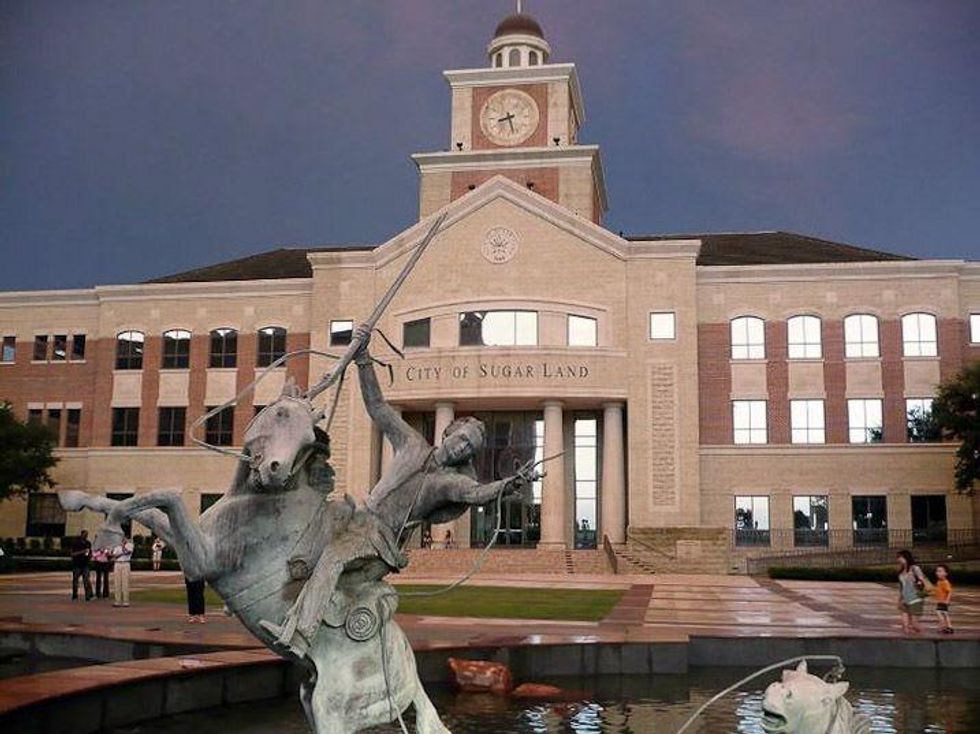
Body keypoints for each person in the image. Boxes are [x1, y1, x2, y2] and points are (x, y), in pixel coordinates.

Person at [896, 549, 928, 635]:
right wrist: (899, 599)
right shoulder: (901, 572)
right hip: (905, 599)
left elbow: (923, 581)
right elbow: (901, 587)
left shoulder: (915, 568)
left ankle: (923, 637)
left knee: (914, 624)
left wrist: (919, 582)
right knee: (905, 626)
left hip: (916, 598)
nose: (898, 559)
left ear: (906, 557)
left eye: (900, 557)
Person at [70, 530, 94, 601]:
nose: (86, 536)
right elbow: (72, 554)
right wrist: (82, 552)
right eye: (84, 534)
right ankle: (75, 595)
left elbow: (89, 552)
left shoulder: (88, 543)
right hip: (77, 564)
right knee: (75, 581)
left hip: (85, 564)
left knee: (86, 580)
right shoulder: (76, 543)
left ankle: (88, 595)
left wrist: (89, 555)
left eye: (87, 535)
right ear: (81, 534)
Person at [111, 537, 134, 607]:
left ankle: (126, 601)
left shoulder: (130, 544)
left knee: (125, 583)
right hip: (117, 563)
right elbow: (114, 555)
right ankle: (117, 601)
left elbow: (128, 552)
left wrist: (123, 546)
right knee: (117, 583)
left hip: (125, 563)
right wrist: (120, 553)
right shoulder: (117, 545)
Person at [933, 564, 953, 634]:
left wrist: (947, 600)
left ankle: (943, 627)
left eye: (940, 571)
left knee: (938, 613)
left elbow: (949, 592)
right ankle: (949, 627)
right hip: (940, 601)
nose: (937, 573)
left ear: (946, 573)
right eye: (937, 571)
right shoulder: (939, 582)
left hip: (943, 602)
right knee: (945, 614)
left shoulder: (945, 582)